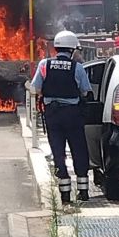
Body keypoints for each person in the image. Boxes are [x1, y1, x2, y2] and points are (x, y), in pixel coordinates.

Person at [31, 30, 92, 204]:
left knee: (58, 151)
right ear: (72, 49)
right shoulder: (77, 67)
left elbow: (35, 88)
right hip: (73, 115)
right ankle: (83, 192)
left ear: (56, 47)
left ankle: (65, 195)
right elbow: (86, 91)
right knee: (79, 150)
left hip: (53, 115)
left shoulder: (44, 65)